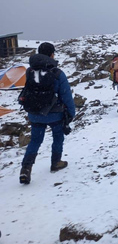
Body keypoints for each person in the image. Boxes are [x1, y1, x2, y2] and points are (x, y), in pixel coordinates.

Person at [19, 42, 76, 184]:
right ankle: (56, 162)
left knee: (35, 140)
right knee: (58, 137)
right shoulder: (57, 73)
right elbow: (66, 95)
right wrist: (71, 113)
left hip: (35, 113)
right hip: (54, 114)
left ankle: (26, 168)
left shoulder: (30, 71)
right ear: (51, 55)